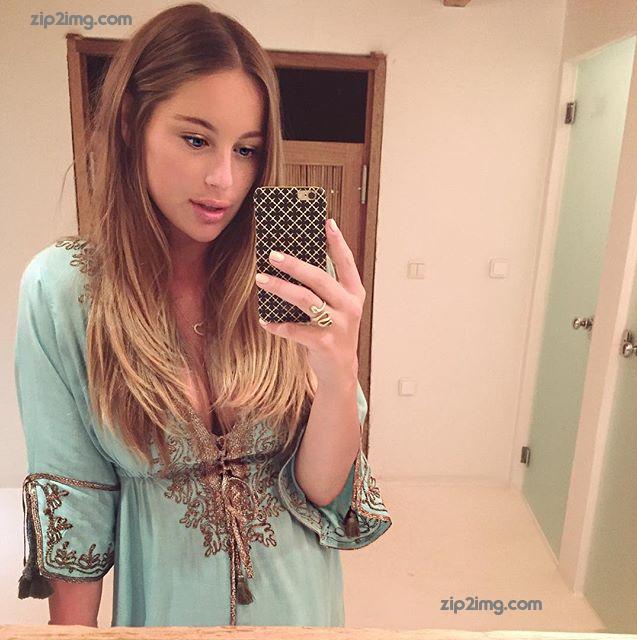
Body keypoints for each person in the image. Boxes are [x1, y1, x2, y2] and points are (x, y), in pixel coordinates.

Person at [14, 2, 392, 629]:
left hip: (302, 610)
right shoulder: (66, 291)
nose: (224, 178)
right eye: (196, 140)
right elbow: (74, 502)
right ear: (132, 123)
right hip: (166, 613)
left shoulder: (287, 276)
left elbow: (322, 489)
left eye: (247, 150)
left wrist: (338, 372)